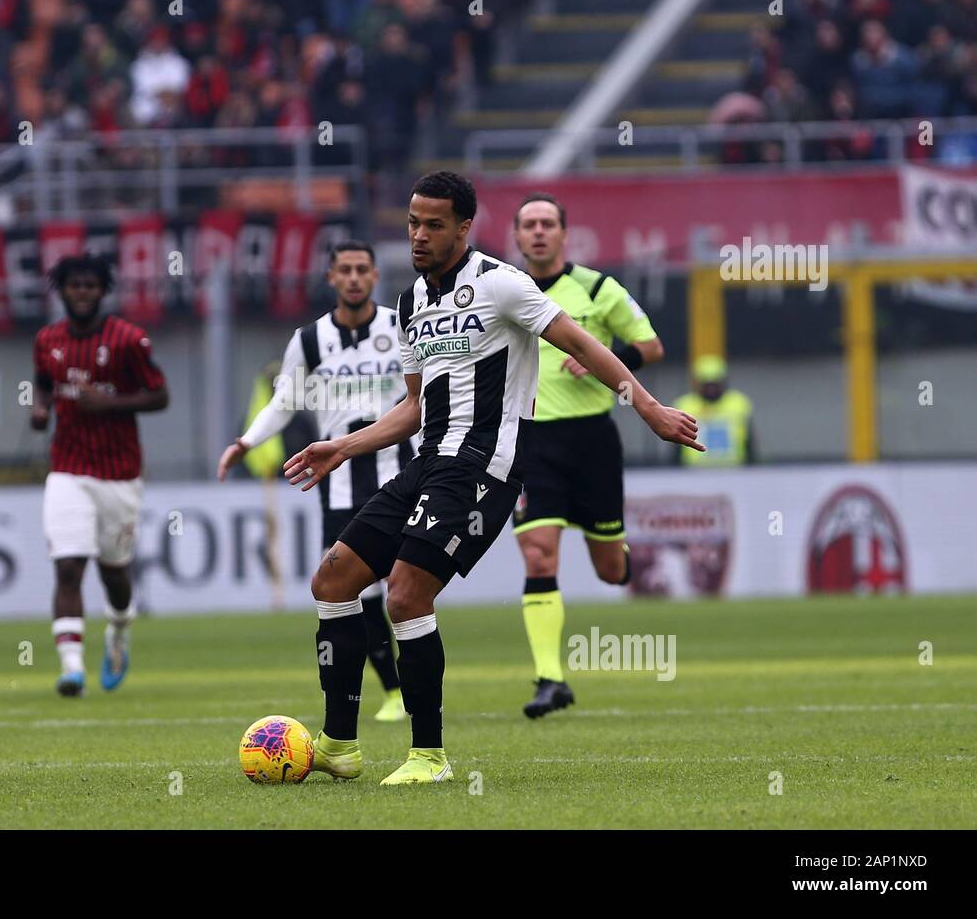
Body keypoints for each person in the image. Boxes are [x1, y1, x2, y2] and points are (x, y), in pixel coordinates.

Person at [283, 171, 702, 785]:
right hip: (428, 461)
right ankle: (338, 744)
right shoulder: (410, 303)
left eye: (433, 224)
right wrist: (342, 446)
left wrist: (647, 406)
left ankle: (429, 756)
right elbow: (414, 408)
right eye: (412, 223)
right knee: (334, 578)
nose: (419, 235)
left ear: (463, 227)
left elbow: (581, 344)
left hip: (486, 465)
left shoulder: (502, 283)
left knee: (405, 595)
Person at [218, 240, 413, 722]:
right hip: (340, 482)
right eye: (344, 270)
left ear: (374, 277)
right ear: (330, 277)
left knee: (406, 585)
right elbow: (284, 401)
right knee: (354, 590)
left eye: (362, 269)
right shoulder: (309, 341)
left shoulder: (400, 326)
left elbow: (428, 391)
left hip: (401, 474)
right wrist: (246, 441)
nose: (353, 278)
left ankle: (415, 685)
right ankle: (393, 691)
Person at [510, 193, 665, 719]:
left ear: (563, 234)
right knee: (538, 554)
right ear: (516, 236)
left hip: (593, 441)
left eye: (546, 223)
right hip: (532, 444)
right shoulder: (502, 292)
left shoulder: (598, 288)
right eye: (528, 224)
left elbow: (652, 345)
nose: (537, 232)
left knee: (608, 571)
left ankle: (621, 554)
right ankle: (550, 679)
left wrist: (605, 358)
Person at [30, 254, 169, 696]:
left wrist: (107, 403)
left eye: (91, 285)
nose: (83, 292)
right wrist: (39, 408)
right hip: (67, 469)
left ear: (102, 290)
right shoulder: (47, 340)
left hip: (119, 473)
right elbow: (43, 384)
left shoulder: (128, 339)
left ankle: (119, 632)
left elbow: (160, 396)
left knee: (114, 573)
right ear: (63, 290)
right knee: (68, 567)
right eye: (75, 285)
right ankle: (72, 667)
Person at [672, 355, 756, 467]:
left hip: (734, 469)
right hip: (694, 471)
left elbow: (749, 441)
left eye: (715, 384)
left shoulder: (739, 403)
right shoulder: (685, 405)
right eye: (706, 385)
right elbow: (676, 446)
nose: (711, 390)